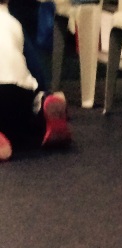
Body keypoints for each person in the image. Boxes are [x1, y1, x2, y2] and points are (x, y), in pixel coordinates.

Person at [0, 0, 71, 162]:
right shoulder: (14, 23)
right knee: (24, 125)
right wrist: (44, 92)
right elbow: (36, 71)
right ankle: (43, 115)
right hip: (19, 97)